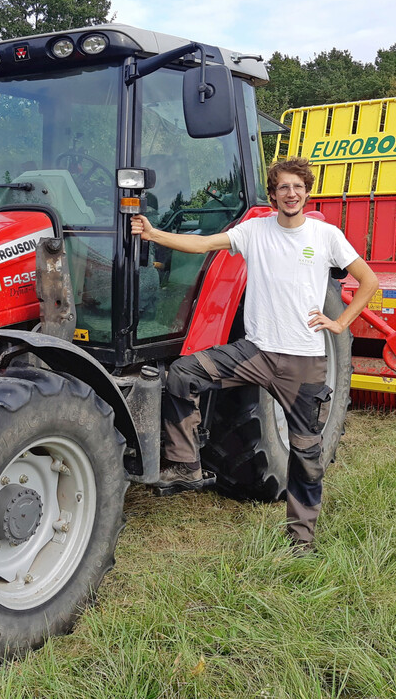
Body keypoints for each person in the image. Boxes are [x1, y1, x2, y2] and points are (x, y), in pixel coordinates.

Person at [130, 158, 379, 553]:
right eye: (283, 187)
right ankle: (186, 464)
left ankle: (302, 540)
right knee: (182, 373)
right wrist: (154, 233)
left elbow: (369, 280)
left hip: (303, 362)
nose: (291, 193)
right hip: (257, 352)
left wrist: (340, 322)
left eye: (297, 186)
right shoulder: (254, 230)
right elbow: (202, 244)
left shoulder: (326, 235)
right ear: (274, 192)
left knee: (307, 454)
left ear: (307, 191)